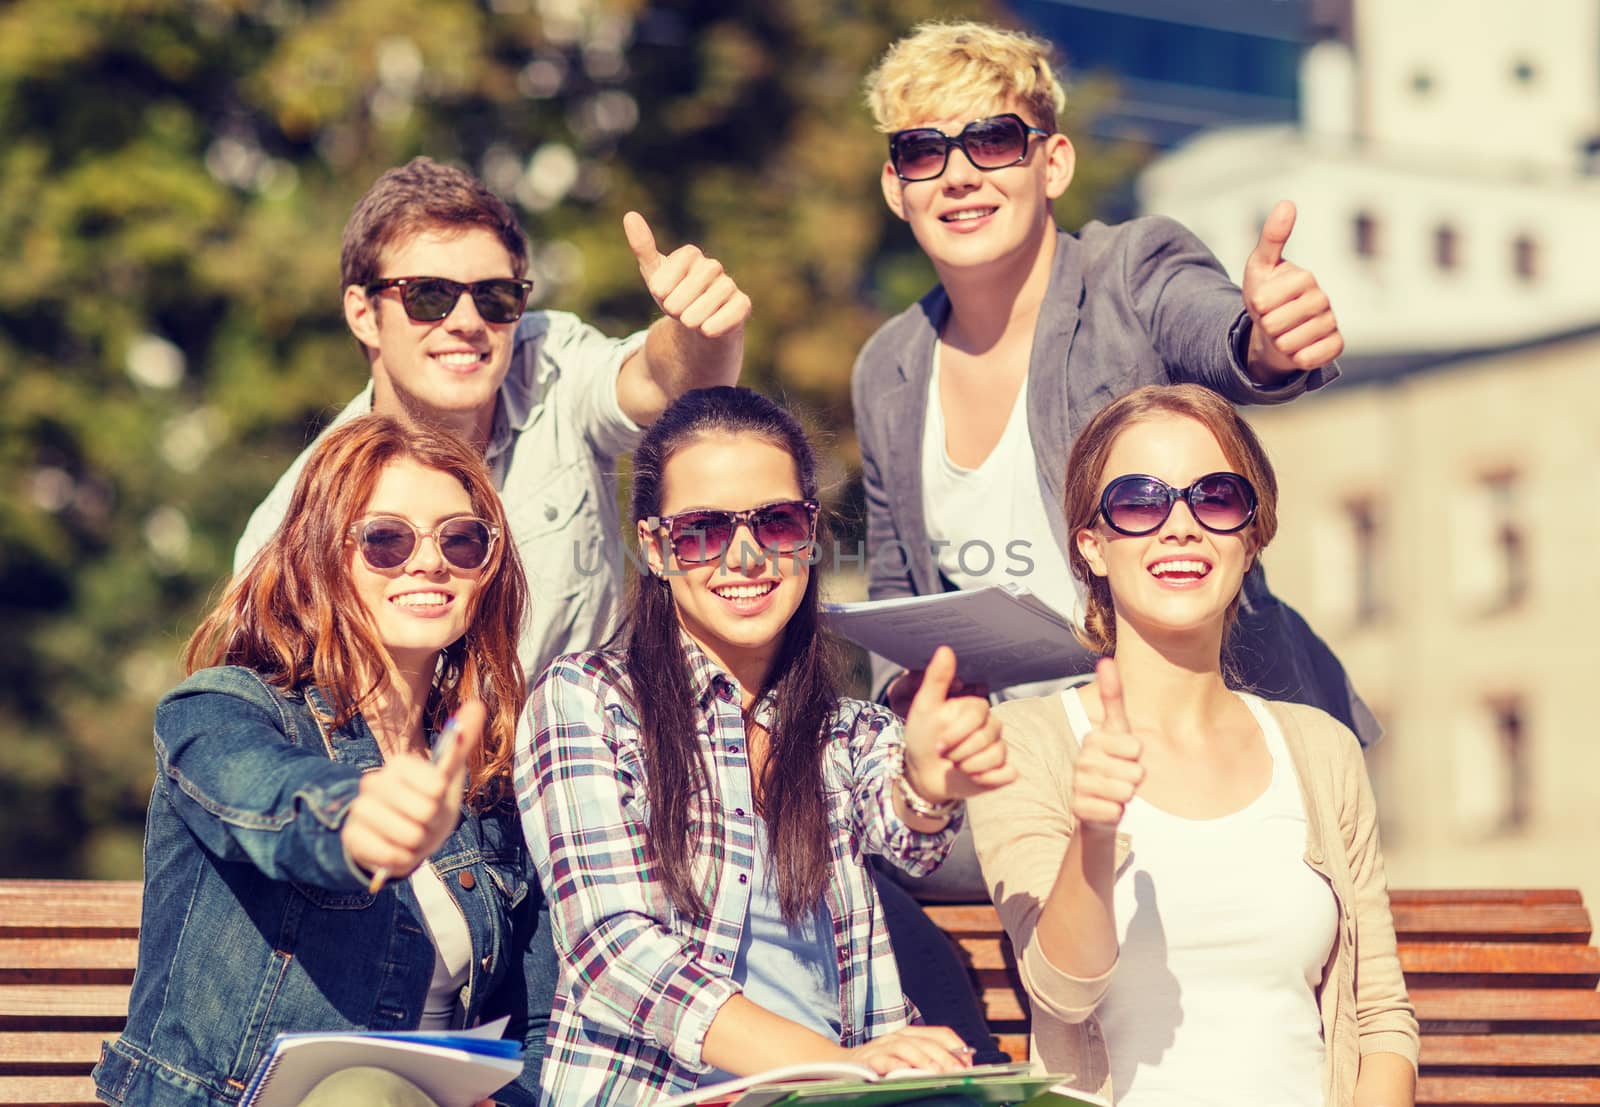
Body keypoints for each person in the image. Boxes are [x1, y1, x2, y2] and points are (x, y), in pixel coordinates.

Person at [854, 21, 1378, 746]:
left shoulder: (1130, 271)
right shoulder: (887, 365)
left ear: (1054, 164)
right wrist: (908, 696)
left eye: (995, 141)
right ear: (895, 185)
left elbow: (1210, 328)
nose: (960, 173)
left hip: (1218, 739)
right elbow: (897, 584)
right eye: (923, 151)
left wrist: (1264, 344)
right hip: (1033, 764)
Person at [516, 386, 1017, 1106]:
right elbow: (614, 954)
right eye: (704, 531)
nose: (747, 556)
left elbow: (907, 832)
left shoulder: (849, 729)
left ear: (810, 533)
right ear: (657, 549)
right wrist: (844, 1065)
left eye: (776, 522)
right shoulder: (584, 700)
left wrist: (928, 785)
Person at [965, 384, 1418, 1106]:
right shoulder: (1028, 744)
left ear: (1252, 537)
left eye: (1216, 497)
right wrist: (1094, 833)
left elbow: (1381, 1016)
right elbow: (1061, 990)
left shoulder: (1322, 749)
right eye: (1140, 502)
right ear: (1093, 546)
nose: (1180, 526)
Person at [95, 416, 551, 1107]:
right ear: (320, 556)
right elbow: (276, 799)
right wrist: (361, 819)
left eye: (460, 539)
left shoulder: (488, 782)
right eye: (386, 539)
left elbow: (534, 1028)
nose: (429, 562)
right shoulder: (219, 711)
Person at [235, 155, 750, 676]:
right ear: (364, 315)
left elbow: (661, 380)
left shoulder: (549, 358)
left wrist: (698, 330)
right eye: (428, 296)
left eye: (495, 297)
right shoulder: (287, 525)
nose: (466, 322)